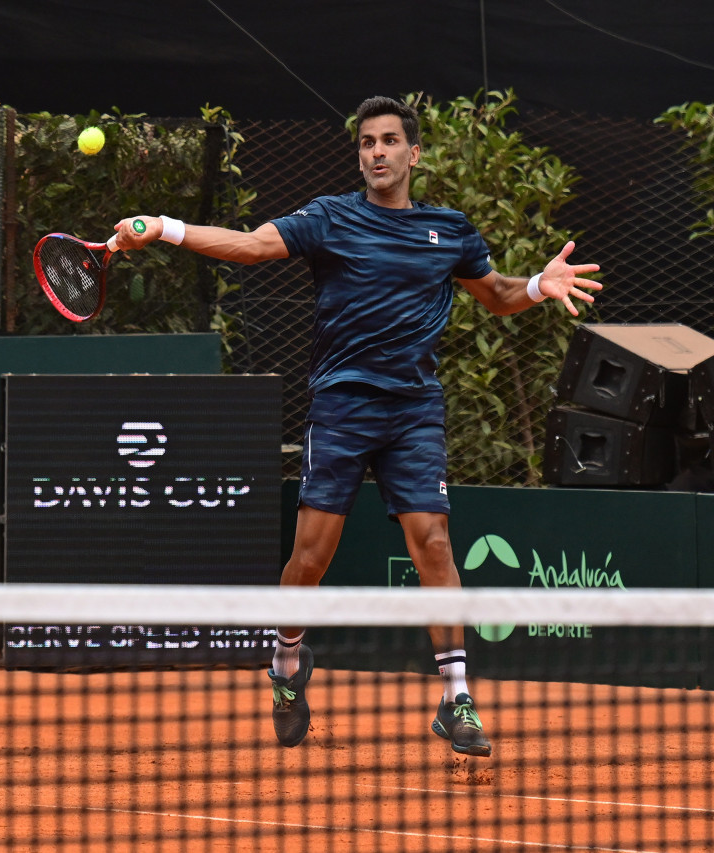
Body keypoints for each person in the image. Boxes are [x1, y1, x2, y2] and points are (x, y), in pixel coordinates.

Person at [110, 96, 602, 757]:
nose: (376, 150)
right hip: (341, 408)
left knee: (433, 542)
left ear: (413, 153)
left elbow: (496, 296)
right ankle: (286, 664)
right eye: (367, 141)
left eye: (389, 140)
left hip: (414, 410)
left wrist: (539, 285)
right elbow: (254, 246)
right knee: (311, 556)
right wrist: (166, 226)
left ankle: (457, 697)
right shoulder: (330, 217)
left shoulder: (448, 230)